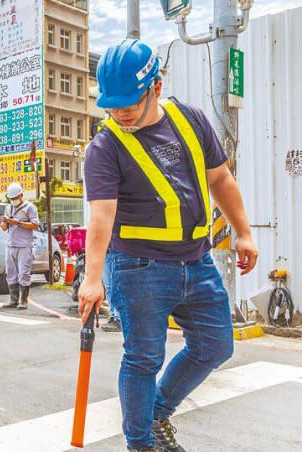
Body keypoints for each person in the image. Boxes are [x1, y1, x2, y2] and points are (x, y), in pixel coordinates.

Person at [80, 39, 258, 452]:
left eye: (128, 103)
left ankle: (156, 413)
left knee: (216, 346)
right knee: (143, 358)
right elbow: (101, 216)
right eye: (112, 105)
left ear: (155, 87)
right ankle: (141, 443)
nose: (119, 113)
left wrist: (243, 232)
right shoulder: (104, 147)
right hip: (138, 268)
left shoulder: (191, 120)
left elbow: (221, 181)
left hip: (197, 262)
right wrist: (92, 278)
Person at [0, 182, 39, 309]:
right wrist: (4, 222)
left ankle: (23, 301)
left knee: (24, 273)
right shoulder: (8, 208)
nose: (13, 201)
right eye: (11, 199)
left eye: (15, 198)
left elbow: (35, 225)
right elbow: (4, 228)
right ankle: (13, 300)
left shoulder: (30, 207)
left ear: (21, 195)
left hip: (24, 245)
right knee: (10, 273)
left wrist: (19, 223)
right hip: (10, 244)